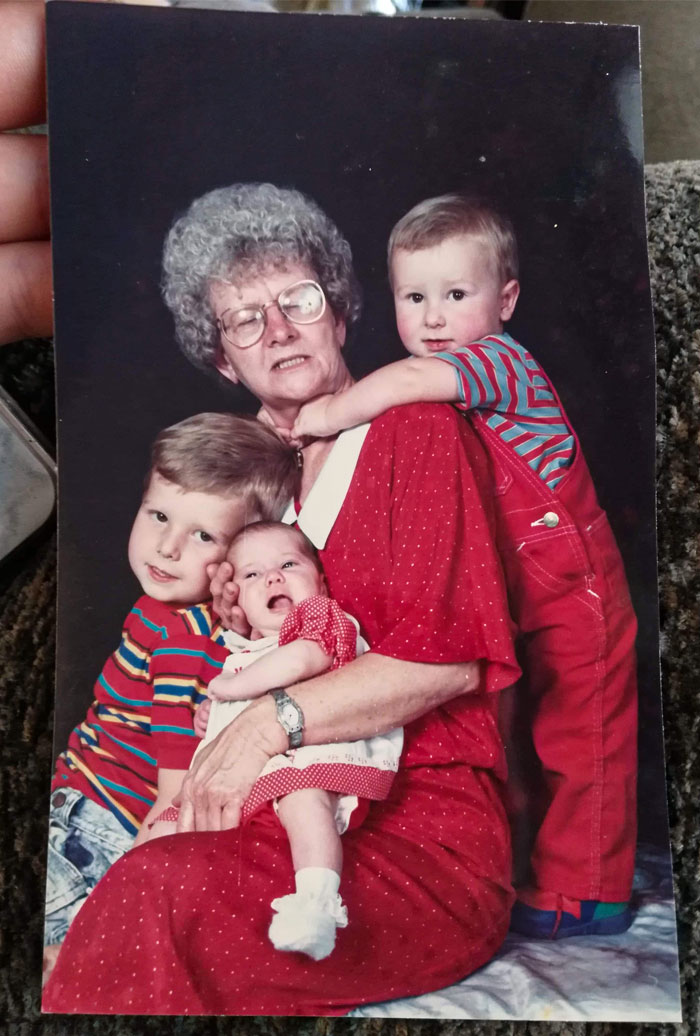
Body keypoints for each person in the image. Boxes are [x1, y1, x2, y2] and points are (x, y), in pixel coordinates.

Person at [43, 182, 520, 1015]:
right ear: (224, 361)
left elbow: (449, 665)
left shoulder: (414, 430)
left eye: (298, 299)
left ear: (339, 311)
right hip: (266, 811)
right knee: (118, 882)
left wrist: (265, 725)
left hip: (414, 831)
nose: (279, 330)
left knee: (157, 895)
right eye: (244, 319)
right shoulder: (242, 483)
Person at [288, 194, 638, 938]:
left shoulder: (496, 361)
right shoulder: (452, 380)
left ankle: (590, 890)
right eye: (414, 298)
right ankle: (527, 871)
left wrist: (324, 415)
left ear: (505, 301)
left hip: (575, 584)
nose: (434, 318)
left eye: (455, 295)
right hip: (520, 586)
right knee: (522, 727)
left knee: (584, 731)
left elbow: (406, 383)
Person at [44, 413, 297, 971]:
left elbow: (174, 793)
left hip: (98, 830)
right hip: (81, 800)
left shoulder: (184, 639)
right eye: (158, 515)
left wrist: (122, 906)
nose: (167, 546)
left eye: (203, 535)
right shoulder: (164, 612)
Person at [147, 520, 403, 961]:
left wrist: (230, 689)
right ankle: (145, 917)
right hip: (244, 785)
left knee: (305, 804)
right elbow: (238, 710)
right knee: (167, 830)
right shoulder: (243, 654)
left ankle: (316, 905)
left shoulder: (320, 620)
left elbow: (302, 660)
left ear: (320, 581)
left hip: (309, 761)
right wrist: (210, 716)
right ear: (239, 603)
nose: (272, 578)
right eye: (252, 574)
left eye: (288, 565)